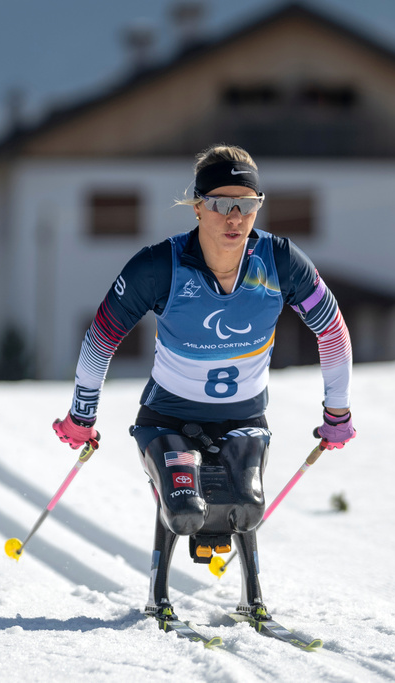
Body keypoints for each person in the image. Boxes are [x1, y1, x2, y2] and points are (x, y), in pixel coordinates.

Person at [51, 144, 356, 625]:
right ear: (197, 206)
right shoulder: (159, 265)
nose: (234, 218)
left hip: (243, 418)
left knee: (246, 507)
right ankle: (158, 591)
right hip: (168, 417)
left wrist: (337, 413)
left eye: (247, 205)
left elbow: (332, 331)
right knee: (186, 508)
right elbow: (100, 338)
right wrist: (81, 417)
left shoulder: (280, 261)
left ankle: (251, 593)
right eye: (220, 204)